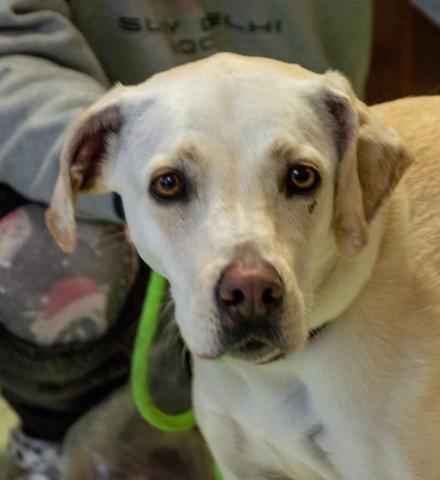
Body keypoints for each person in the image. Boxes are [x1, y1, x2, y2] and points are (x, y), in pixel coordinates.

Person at [0, 1, 372, 478]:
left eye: (298, 176)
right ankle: (55, 430)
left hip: (306, 219)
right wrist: (137, 177)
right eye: (172, 183)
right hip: (119, 198)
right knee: (35, 263)